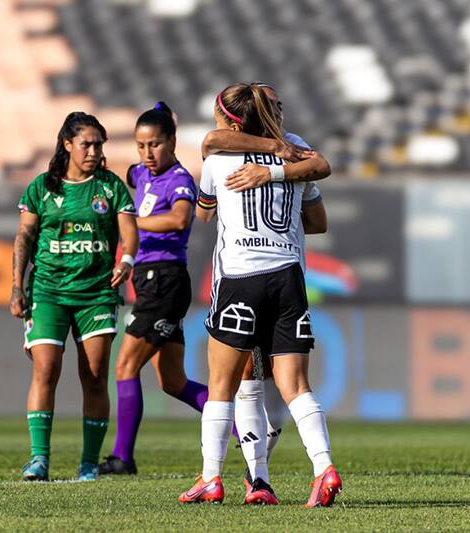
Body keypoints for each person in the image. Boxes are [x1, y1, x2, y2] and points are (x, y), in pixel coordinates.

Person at [179, 83, 341, 507]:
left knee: (223, 385)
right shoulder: (297, 149)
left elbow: (204, 210)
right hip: (288, 276)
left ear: (231, 119)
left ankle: (212, 477)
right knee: (294, 384)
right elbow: (318, 221)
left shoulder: (218, 157)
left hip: (240, 275)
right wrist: (283, 180)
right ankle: (321, 468)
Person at [10, 111, 138, 482]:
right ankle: (38, 459)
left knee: (95, 375)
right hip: (48, 291)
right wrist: (17, 286)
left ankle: (88, 463)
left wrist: (126, 259)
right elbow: (24, 238)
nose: (95, 151)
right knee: (46, 369)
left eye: (100, 144)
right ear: (67, 144)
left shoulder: (110, 187)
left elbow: (129, 234)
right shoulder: (41, 188)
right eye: (87, 144)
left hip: (97, 293)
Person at [98, 102, 210, 475]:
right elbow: (122, 171)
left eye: (156, 144)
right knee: (173, 381)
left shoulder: (179, 179)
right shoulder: (143, 174)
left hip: (163, 280)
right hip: (152, 282)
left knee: (125, 366)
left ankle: (123, 458)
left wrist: (132, 221)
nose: (148, 153)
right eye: (141, 145)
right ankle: (247, 430)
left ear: (172, 142)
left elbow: (179, 218)